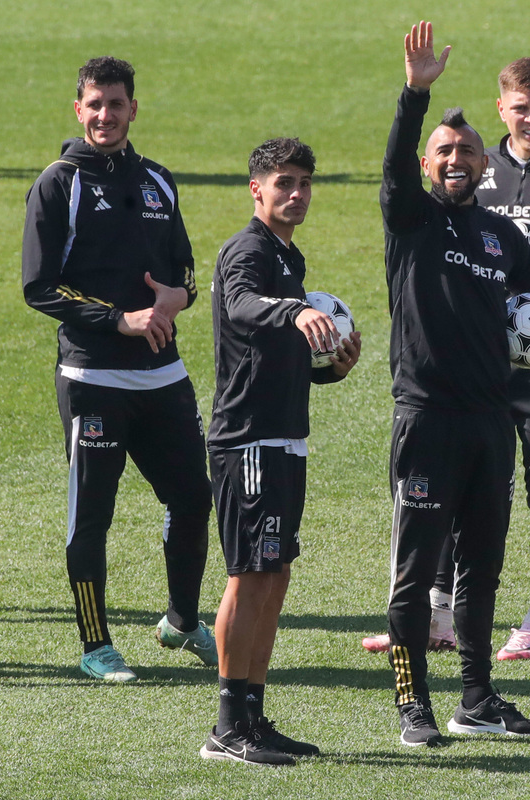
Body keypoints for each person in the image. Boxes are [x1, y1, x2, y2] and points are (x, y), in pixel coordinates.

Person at [361, 56, 530, 661]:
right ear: (500, 111)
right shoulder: (475, 174)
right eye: (520, 108)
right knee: (455, 488)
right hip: (471, 363)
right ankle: (432, 616)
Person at [378, 21, 530, 747]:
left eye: (467, 151)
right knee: (417, 572)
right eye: (444, 151)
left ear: (483, 163)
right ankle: (413, 706)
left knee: (481, 567)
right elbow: (394, 166)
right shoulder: (410, 219)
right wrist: (417, 94)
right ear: (426, 162)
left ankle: (475, 699)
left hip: (488, 422)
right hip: (427, 419)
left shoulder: (501, 237)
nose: (457, 160)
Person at [22, 56, 216, 682]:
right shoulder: (58, 183)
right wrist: (120, 320)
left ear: (135, 108)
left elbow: (185, 268)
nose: (106, 115)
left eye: (117, 104)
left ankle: (182, 621)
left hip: (164, 377)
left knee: (194, 498)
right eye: (95, 105)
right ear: (78, 110)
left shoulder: (159, 180)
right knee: (92, 515)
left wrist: (175, 299)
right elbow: (39, 286)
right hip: (93, 380)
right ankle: (96, 643)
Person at [199, 138, 362, 765]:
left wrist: (330, 369)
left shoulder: (288, 257)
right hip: (248, 440)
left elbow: (270, 352)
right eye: (284, 183)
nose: (296, 195)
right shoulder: (248, 251)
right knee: (249, 575)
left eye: (304, 184)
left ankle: (254, 715)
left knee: (276, 574)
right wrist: (295, 311)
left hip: (285, 438)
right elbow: (241, 306)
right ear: (256, 189)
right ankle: (225, 726)